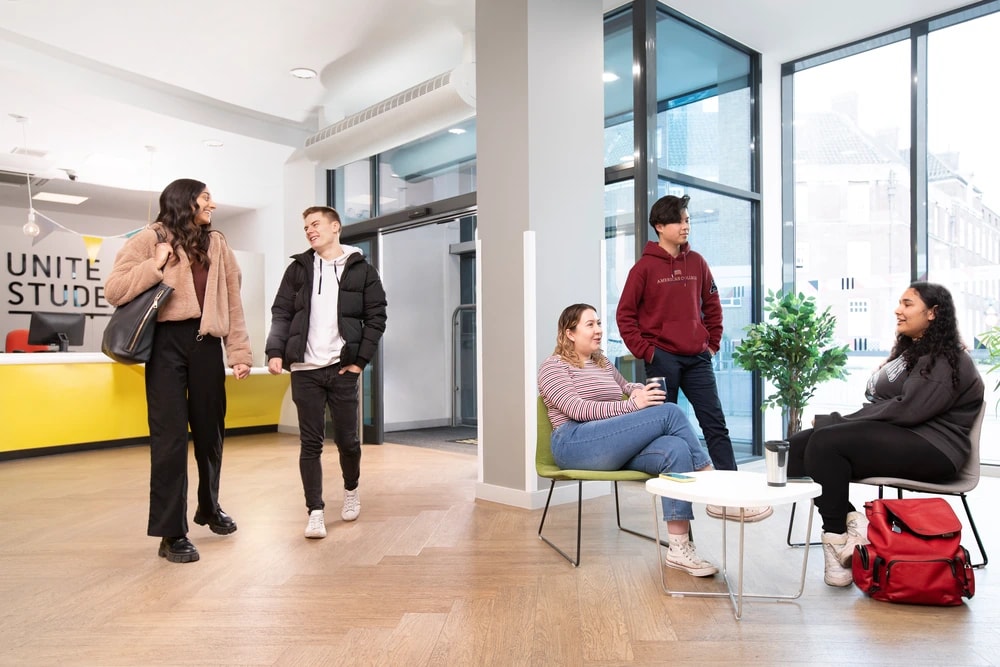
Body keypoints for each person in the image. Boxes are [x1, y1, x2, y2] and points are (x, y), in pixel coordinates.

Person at [787, 282, 985, 587]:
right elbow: (884, 399)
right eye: (899, 303)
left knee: (826, 442)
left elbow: (908, 410)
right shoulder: (914, 352)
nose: (898, 310)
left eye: (907, 304)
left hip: (935, 448)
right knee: (795, 448)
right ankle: (853, 526)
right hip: (902, 436)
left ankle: (838, 541)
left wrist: (836, 420)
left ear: (933, 313)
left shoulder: (947, 360)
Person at [105, 178, 252, 564]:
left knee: (210, 435)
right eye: (206, 198)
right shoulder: (149, 237)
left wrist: (238, 351)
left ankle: (209, 507)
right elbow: (115, 289)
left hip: (206, 345)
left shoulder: (217, 243)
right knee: (169, 441)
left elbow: (232, 299)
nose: (212, 205)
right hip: (166, 346)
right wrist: (155, 264)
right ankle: (171, 533)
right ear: (185, 201)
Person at [616, 194, 771, 523]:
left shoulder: (697, 262)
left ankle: (732, 498)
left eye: (688, 220)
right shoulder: (643, 268)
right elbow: (624, 316)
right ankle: (677, 516)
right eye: (680, 221)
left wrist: (711, 344)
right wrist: (649, 352)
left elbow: (712, 306)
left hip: (697, 358)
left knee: (716, 426)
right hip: (662, 360)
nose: (686, 226)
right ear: (660, 226)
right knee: (667, 436)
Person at [538, 303, 718, 577]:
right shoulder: (553, 367)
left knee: (676, 448)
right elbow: (577, 410)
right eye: (590, 325)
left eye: (599, 323)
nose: (598, 330)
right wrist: (632, 406)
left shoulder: (602, 362)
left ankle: (679, 548)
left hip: (611, 443)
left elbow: (625, 388)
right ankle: (713, 487)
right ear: (570, 333)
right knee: (669, 411)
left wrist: (640, 391)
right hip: (574, 443)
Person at [266, 206, 387, 539]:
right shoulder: (298, 269)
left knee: (348, 441)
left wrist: (360, 362)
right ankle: (315, 511)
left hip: (341, 368)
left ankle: (351, 490)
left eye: (315, 224)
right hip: (305, 369)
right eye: (305, 226)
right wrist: (275, 351)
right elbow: (281, 312)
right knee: (310, 443)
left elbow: (377, 318)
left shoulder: (363, 270)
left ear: (336, 227)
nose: (309, 230)